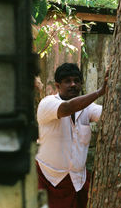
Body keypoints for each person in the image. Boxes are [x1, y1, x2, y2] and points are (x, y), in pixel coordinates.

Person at [35, 63, 109, 208]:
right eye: (67, 81)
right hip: (48, 179)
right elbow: (67, 108)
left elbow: (107, 114)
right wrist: (99, 92)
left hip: (77, 181)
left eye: (76, 80)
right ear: (58, 85)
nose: (73, 84)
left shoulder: (87, 108)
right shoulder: (47, 104)